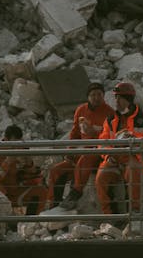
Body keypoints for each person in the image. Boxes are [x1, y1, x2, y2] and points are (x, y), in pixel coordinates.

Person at [93, 82, 143, 218]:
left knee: (133, 173)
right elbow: (102, 142)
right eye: (115, 97)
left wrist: (135, 139)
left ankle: (134, 213)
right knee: (100, 179)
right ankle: (109, 216)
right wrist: (108, 156)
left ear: (128, 99)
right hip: (114, 158)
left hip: (134, 157)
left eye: (119, 98)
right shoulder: (110, 119)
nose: (116, 101)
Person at [48, 82, 114, 210]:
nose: (96, 97)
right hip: (83, 150)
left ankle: (75, 193)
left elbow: (111, 136)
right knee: (56, 170)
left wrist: (95, 133)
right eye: (93, 95)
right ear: (88, 97)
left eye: (99, 94)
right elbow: (75, 134)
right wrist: (70, 151)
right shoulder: (81, 110)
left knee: (86, 158)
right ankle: (54, 204)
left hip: (100, 153)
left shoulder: (110, 113)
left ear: (104, 96)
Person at [0, 125, 47, 215]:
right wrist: (7, 162)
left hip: (15, 192)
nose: (15, 148)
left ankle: (30, 223)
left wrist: (29, 164)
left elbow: (32, 176)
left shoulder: (21, 149)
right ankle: (1, 222)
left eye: (17, 144)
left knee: (40, 191)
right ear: (5, 140)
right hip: (1, 192)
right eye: (12, 145)